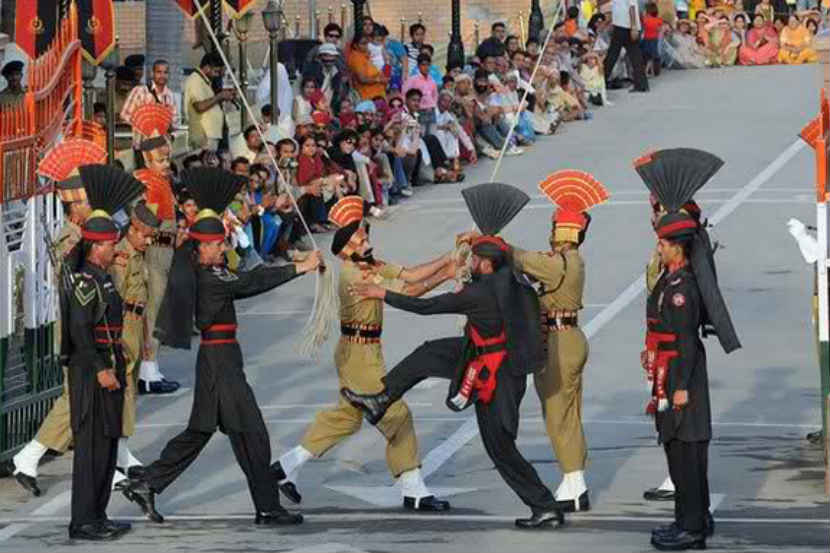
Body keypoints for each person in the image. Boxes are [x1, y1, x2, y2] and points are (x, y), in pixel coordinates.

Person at [343, 183, 564, 529]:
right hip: (479, 353)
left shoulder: (479, 293)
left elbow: (424, 307)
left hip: (496, 374)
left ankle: (544, 505)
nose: (471, 261)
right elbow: (493, 259)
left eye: (476, 258)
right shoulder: (509, 277)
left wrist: (379, 293)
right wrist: (473, 243)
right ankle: (381, 398)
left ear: (487, 265)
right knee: (429, 353)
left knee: (500, 447)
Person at [122, 169, 323, 525]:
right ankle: (267, 508)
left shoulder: (211, 270)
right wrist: (300, 267)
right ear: (200, 248)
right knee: (253, 432)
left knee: (199, 433)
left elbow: (242, 277)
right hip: (220, 362)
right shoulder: (208, 277)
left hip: (221, 358)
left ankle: (149, 483)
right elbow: (250, 282)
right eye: (215, 244)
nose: (221, 248)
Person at [273, 197, 453, 512]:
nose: (368, 241)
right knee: (397, 414)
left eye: (366, 235)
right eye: (361, 238)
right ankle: (414, 488)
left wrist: (448, 261)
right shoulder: (356, 276)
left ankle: (284, 467)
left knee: (347, 417)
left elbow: (409, 274)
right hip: (359, 354)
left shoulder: (368, 265)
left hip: (362, 351)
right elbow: (408, 292)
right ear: (346, 249)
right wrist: (447, 274)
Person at [634, 148, 740, 551]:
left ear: (675, 247)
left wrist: (677, 387)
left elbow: (684, 345)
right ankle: (688, 520)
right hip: (671, 370)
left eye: (662, 241)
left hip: (681, 377)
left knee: (686, 454)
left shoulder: (681, 290)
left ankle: (691, 527)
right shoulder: (674, 276)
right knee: (680, 453)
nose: (657, 246)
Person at [5, 138, 104, 496]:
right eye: (85, 199)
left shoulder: (84, 231)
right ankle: (28, 457)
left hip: (92, 319)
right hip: (77, 322)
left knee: (90, 398)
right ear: (74, 205)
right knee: (76, 396)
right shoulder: (70, 235)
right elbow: (74, 276)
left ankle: (122, 469)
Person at [510, 170, 610, 513]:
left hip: (557, 341)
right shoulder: (571, 261)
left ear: (562, 231)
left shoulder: (559, 263)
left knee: (557, 413)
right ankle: (573, 478)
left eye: (554, 227)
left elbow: (522, 259)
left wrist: (495, 244)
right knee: (568, 411)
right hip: (568, 338)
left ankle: (574, 481)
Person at [63, 163, 146, 540]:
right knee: (91, 452)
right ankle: (83, 521)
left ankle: (98, 515)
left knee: (107, 447)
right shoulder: (85, 283)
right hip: (91, 374)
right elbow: (81, 331)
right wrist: (100, 368)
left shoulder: (103, 278)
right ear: (97, 246)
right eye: (111, 242)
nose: (117, 247)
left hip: (109, 370)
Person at [129, 103, 181, 395]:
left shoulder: (160, 180)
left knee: (157, 310)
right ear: (148, 158)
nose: (166, 164)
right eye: (161, 159)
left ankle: (150, 367)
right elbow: (143, 220)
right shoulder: (146, 182)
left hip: (166, 250)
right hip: (155, 253)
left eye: (167, 159)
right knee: (153, 310)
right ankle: (147, 371)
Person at [184, 52, 234, 152]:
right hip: (203, 136)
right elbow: (199, 106)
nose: (217, 75)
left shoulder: (205, 81)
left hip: (210, 135)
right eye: (216, 71)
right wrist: (220, 96)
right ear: (207, 67)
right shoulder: (195, 80)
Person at [120, 59, 179, 136]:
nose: (162, 76)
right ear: (152, 73)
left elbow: (175, 122)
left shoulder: (170, 96)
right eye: (159, 72)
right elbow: (125, 116)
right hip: (141, 141)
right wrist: (143, 127)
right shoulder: (139, 91)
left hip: (161, 142)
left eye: (165, 72)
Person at [605, 0, 649, 92]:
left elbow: (632, 7)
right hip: (622, 25)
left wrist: (633, 26)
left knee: (613, 54)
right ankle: (641, 84)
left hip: (624, 25)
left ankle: (601, 80)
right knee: (634, 55)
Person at [403, 54, 440, 135]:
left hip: (431, 112)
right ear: (418, 66)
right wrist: (410, 112)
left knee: (432, 137)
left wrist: (433, 105)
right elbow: (405, 95)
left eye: (428, 65)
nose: (426, 67)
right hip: (419, 112)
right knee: (420, 136)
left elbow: (435, 95)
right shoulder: (413, 79)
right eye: (423, 64)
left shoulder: (432, 80)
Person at [347, 33, 388, 100]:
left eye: (367, 43)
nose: (366, 46)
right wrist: (379, 80)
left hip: (377, 94)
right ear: (355, 45)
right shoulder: (356, 58)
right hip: (368, 96)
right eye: (363, 44)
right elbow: (362, 79)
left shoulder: (364, 55)